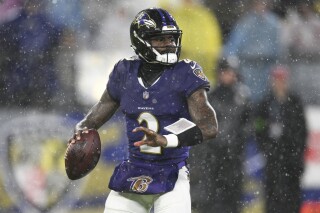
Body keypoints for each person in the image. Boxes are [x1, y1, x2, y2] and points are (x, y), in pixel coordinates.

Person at [68, 8, 218, 213]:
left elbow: (209, 126)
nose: (169, 44)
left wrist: (167, 140)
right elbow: (99, 111)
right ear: (141, 40)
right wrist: (81, 129)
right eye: (160, 39)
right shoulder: (124, 72)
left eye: (171, 38)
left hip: (172, 172)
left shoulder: (185, 72)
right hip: (133, 171)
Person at [189, 57, 252, 213]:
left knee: (233, 199)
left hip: (234, 157)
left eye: (229, 72)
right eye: (224, 72)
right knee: (211, 199)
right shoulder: (210, 97)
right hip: (213, 158)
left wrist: (237, 140)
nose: (227, 75)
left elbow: (250, 125)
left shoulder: (242, 98)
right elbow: (201, 127)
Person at [254, 65, 307, 213]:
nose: (279, 83)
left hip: (291, 160)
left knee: (292, 196)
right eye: (276, 80)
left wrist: (296, 153)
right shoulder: (265, 103)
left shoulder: (295, 102)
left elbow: (302, 131)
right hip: (273, 159)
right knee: (273, 196)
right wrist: (266, 147)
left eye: (282, 80)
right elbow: (258, 128)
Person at [223, 0, 282, 103]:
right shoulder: (246, 22)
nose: (260, 6)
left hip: (266, 67)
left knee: (264, 97)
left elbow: (278, 46)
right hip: (247, 66)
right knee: (247, 95)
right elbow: (234, 44)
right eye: (258, 3)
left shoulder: (273, 22)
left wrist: (277, 63)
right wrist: (231, 59)